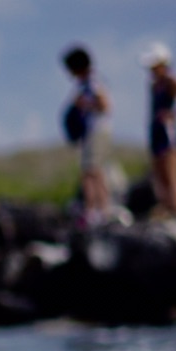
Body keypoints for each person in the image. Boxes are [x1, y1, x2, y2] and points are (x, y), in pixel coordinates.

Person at [140, 42, 176, 216]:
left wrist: (175, 115)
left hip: (168, 131)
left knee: (172, 173)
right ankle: (166, 207)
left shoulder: (171, 80)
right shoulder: (153, 84)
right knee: (159, 173)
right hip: (156, 130)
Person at [61, 45, 113, 227]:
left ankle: (97, 210)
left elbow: (106, 106)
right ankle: (98, 209)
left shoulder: (93, 81)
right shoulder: (84, 83)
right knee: (91, 170)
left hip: (96, 130)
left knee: (91, 171)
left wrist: (84, 104)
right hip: (91, 132)